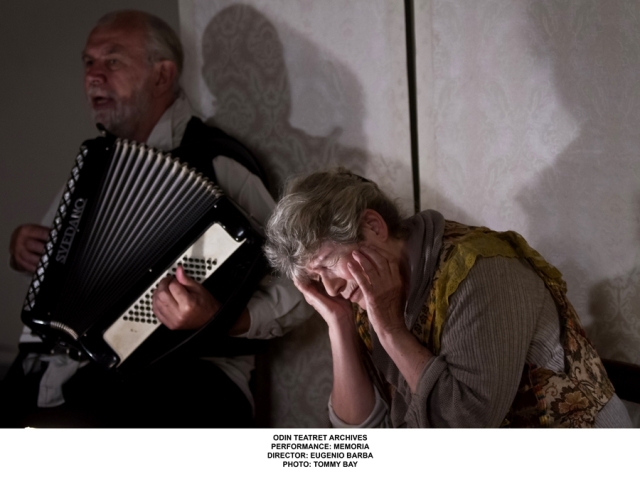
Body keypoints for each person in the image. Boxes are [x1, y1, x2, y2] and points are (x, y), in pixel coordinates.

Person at [2, 10, 312, 427]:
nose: (93, 75)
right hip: (76, 370)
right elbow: (65, 274)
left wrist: (221, 319)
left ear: (162, 75)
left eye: (112, 61)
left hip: (191, 378)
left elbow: (299, 284)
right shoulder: (96, 167)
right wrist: (24, 250)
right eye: (88, 62)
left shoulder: (217, 164)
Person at [264, 167, 633, 427]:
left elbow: (463, 430)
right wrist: (340, 324)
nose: (330, 288)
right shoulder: (365, 290)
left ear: (373, 227)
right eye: (316, 278)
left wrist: (391, 330)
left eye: (327, 264)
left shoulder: (481, 271)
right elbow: (358, 432)